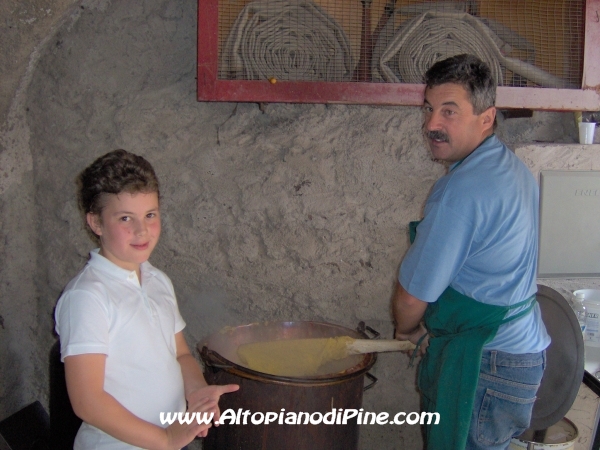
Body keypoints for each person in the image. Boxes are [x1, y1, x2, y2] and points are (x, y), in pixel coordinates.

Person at [392, 54, 550, 450]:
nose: (431, 125)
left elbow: (412, 295)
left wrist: (407, 330)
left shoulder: (461, 191)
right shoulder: (512, 169)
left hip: (487, 361)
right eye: (429, 109)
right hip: (521, 356)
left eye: (449, 111)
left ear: (486, 117)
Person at [54, 149, 239, 449]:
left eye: (150, 215)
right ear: (96, 223)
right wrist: (164, 439)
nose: (142, 230)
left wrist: (196, 390)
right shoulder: (87, 296)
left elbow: (180, 354)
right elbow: (88, 402)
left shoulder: (157, 280)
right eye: (125, 218)